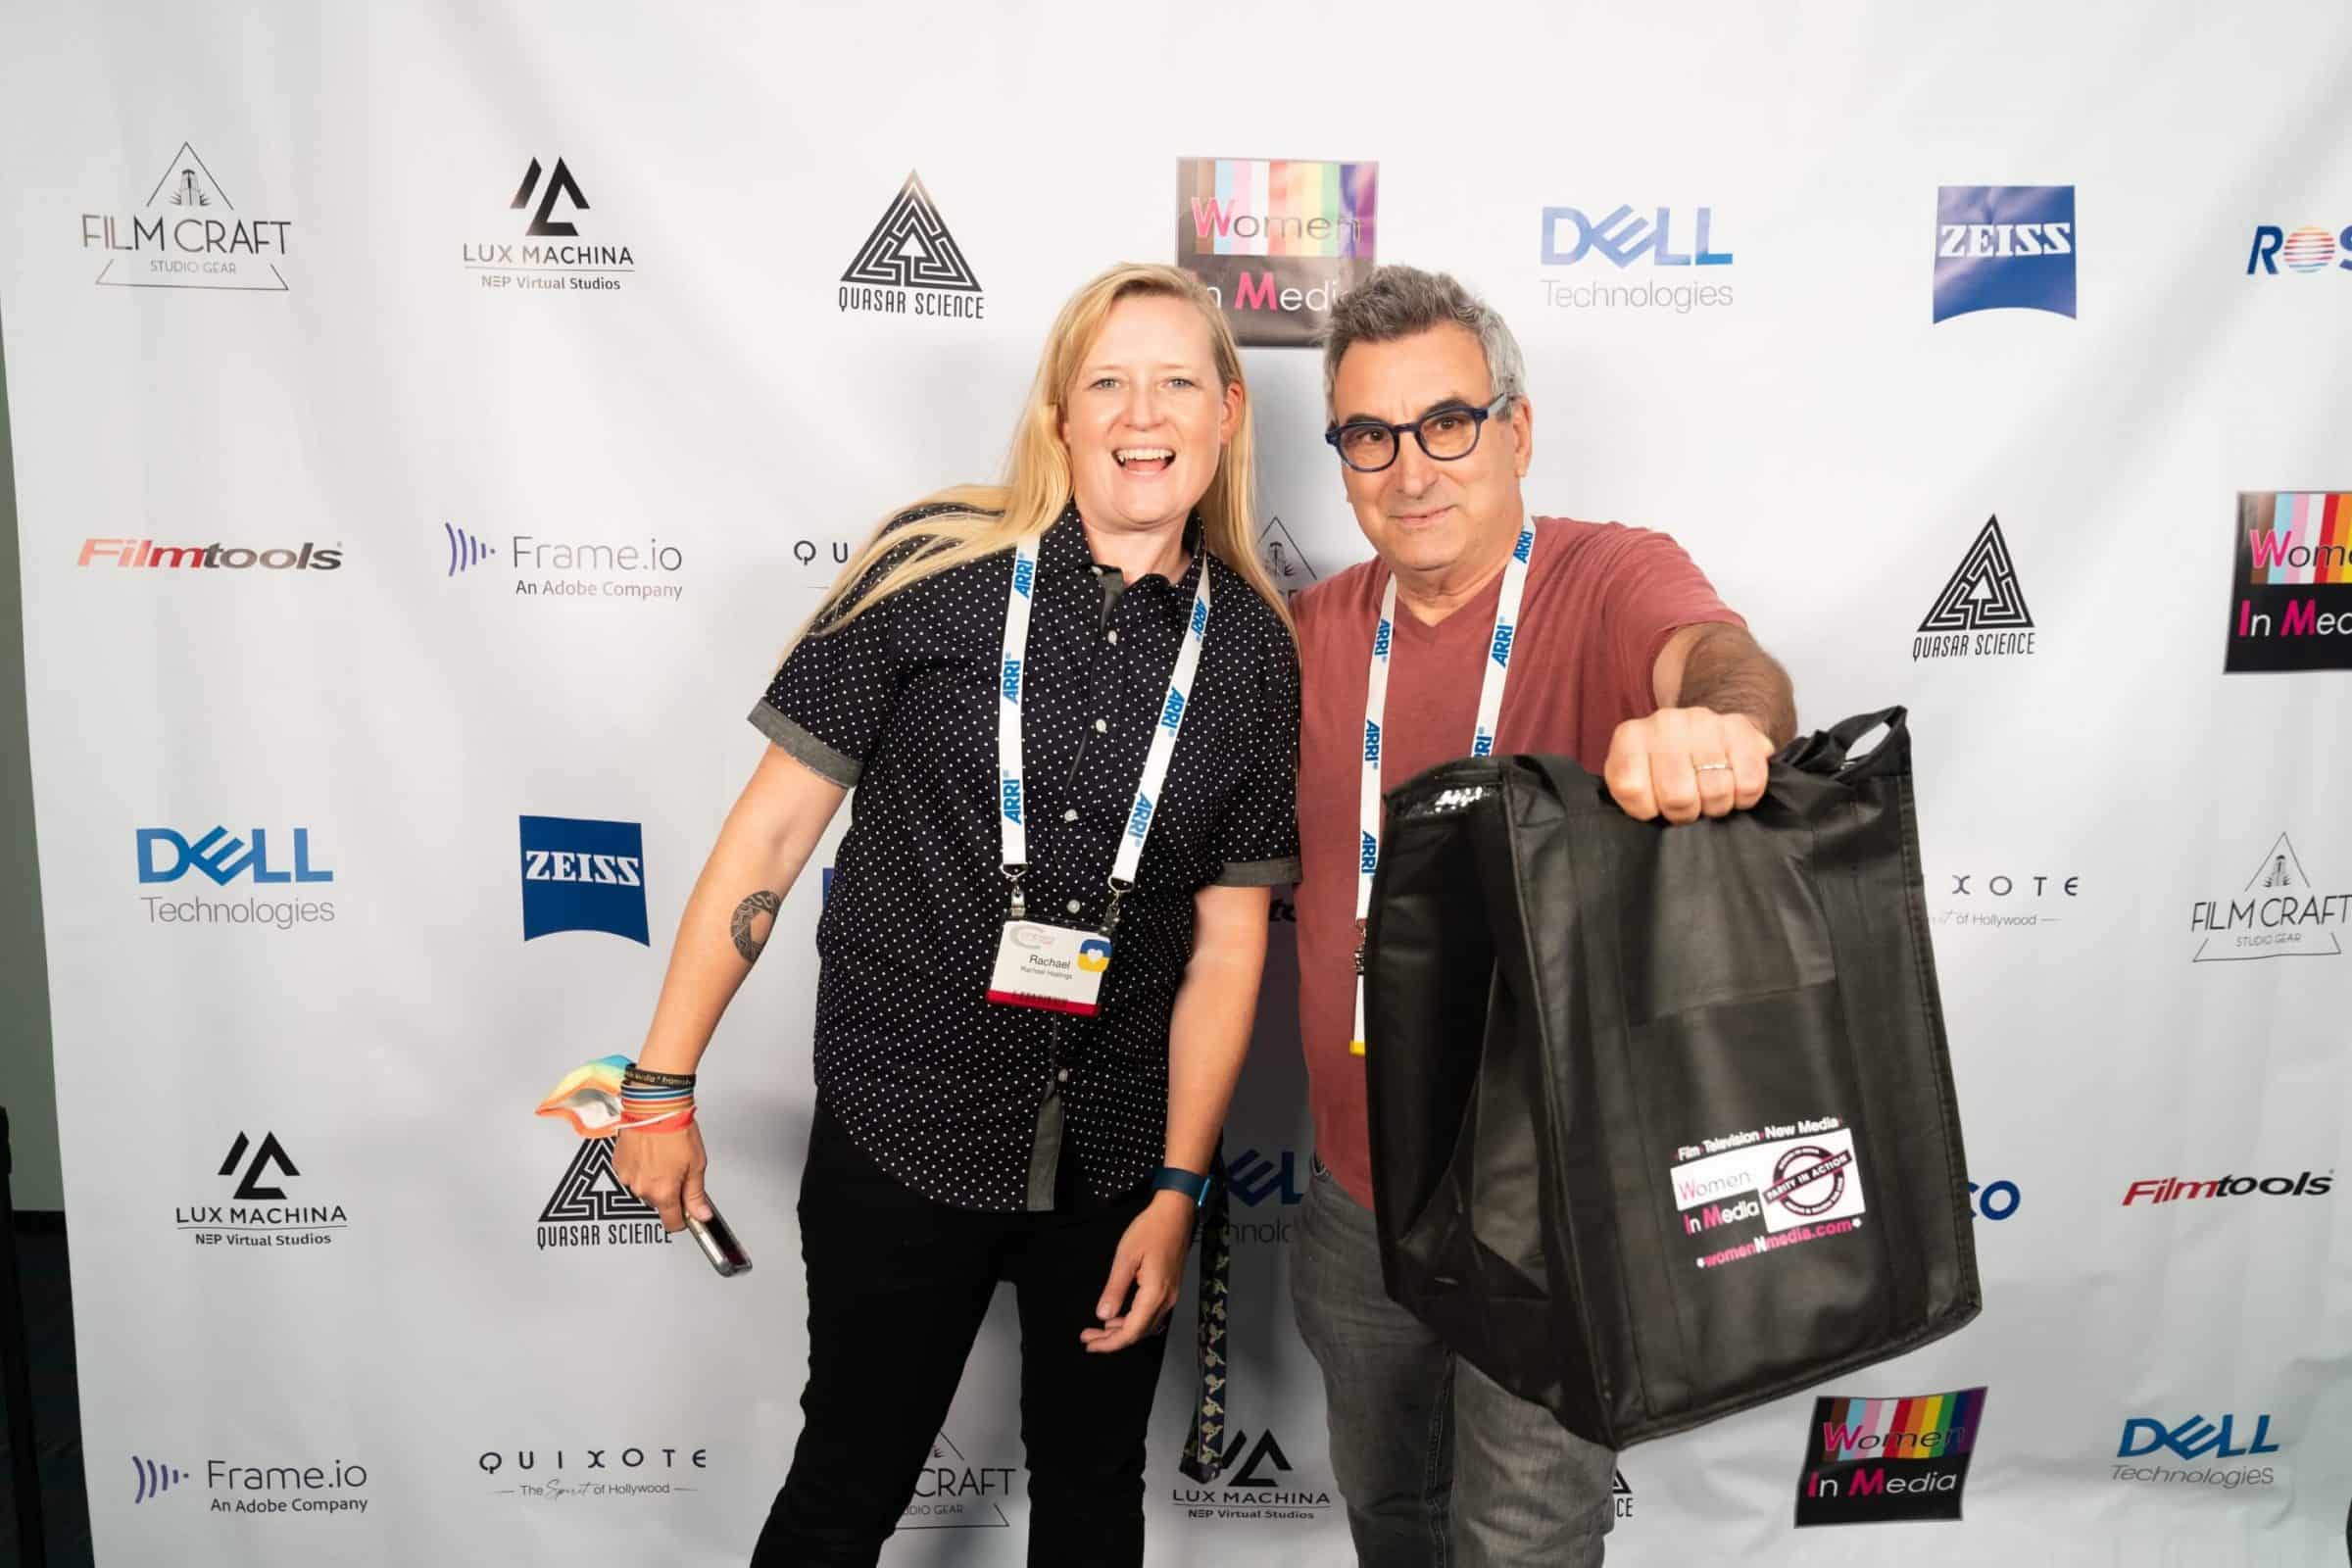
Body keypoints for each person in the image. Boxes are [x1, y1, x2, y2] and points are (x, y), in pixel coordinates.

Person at [612, 262, 1301, 1566]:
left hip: (1114, 1158)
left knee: (1092, 1502)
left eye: (1174, 382)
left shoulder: (1256, 655)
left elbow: (1226, 950)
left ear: (1226, 413)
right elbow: (769, 835)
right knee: (845, 1488)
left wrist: (1177, 1190)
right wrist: (659, 1082)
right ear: (1058, 414)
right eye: (1107, 381)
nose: (1140, 414)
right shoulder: (931, 564)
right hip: (902, 1124)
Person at [1288, 265, 1796, 1567]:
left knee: (1521, 1543)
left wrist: (1718, 726)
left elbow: (1721, 660)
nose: (1412, 470)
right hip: (1356, 1195)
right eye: (1369, 435)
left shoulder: (1609, 574)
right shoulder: (1308, 632)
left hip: (1555, 1206)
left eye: (1448, 423)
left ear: (1515, 431)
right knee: (1392, 1517)